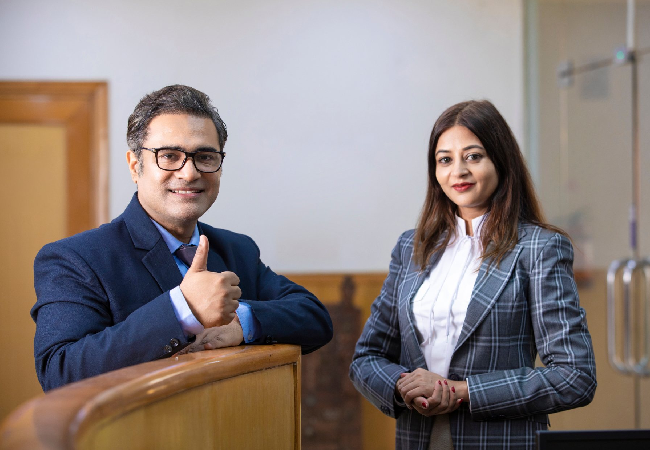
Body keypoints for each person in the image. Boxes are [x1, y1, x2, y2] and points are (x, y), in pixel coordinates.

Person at [32, 84, 333, 392]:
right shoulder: (75, 258)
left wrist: (241, 322)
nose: (189, 173)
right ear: (136, 167)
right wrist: (184, 308)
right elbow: (60, 371)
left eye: (205, 156)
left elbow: (314, 318)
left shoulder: (237, 249)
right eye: (169, 155)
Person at [349, 100, 596, 450]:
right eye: (445, 159)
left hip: (500, 440)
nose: (458, 171)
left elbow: (575, 377)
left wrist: (463, 392)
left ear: (500, 160)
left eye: (474, 156)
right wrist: (405, 387)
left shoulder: (539, 248)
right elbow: (366, 358)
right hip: (417, 436)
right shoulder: (411, 246)